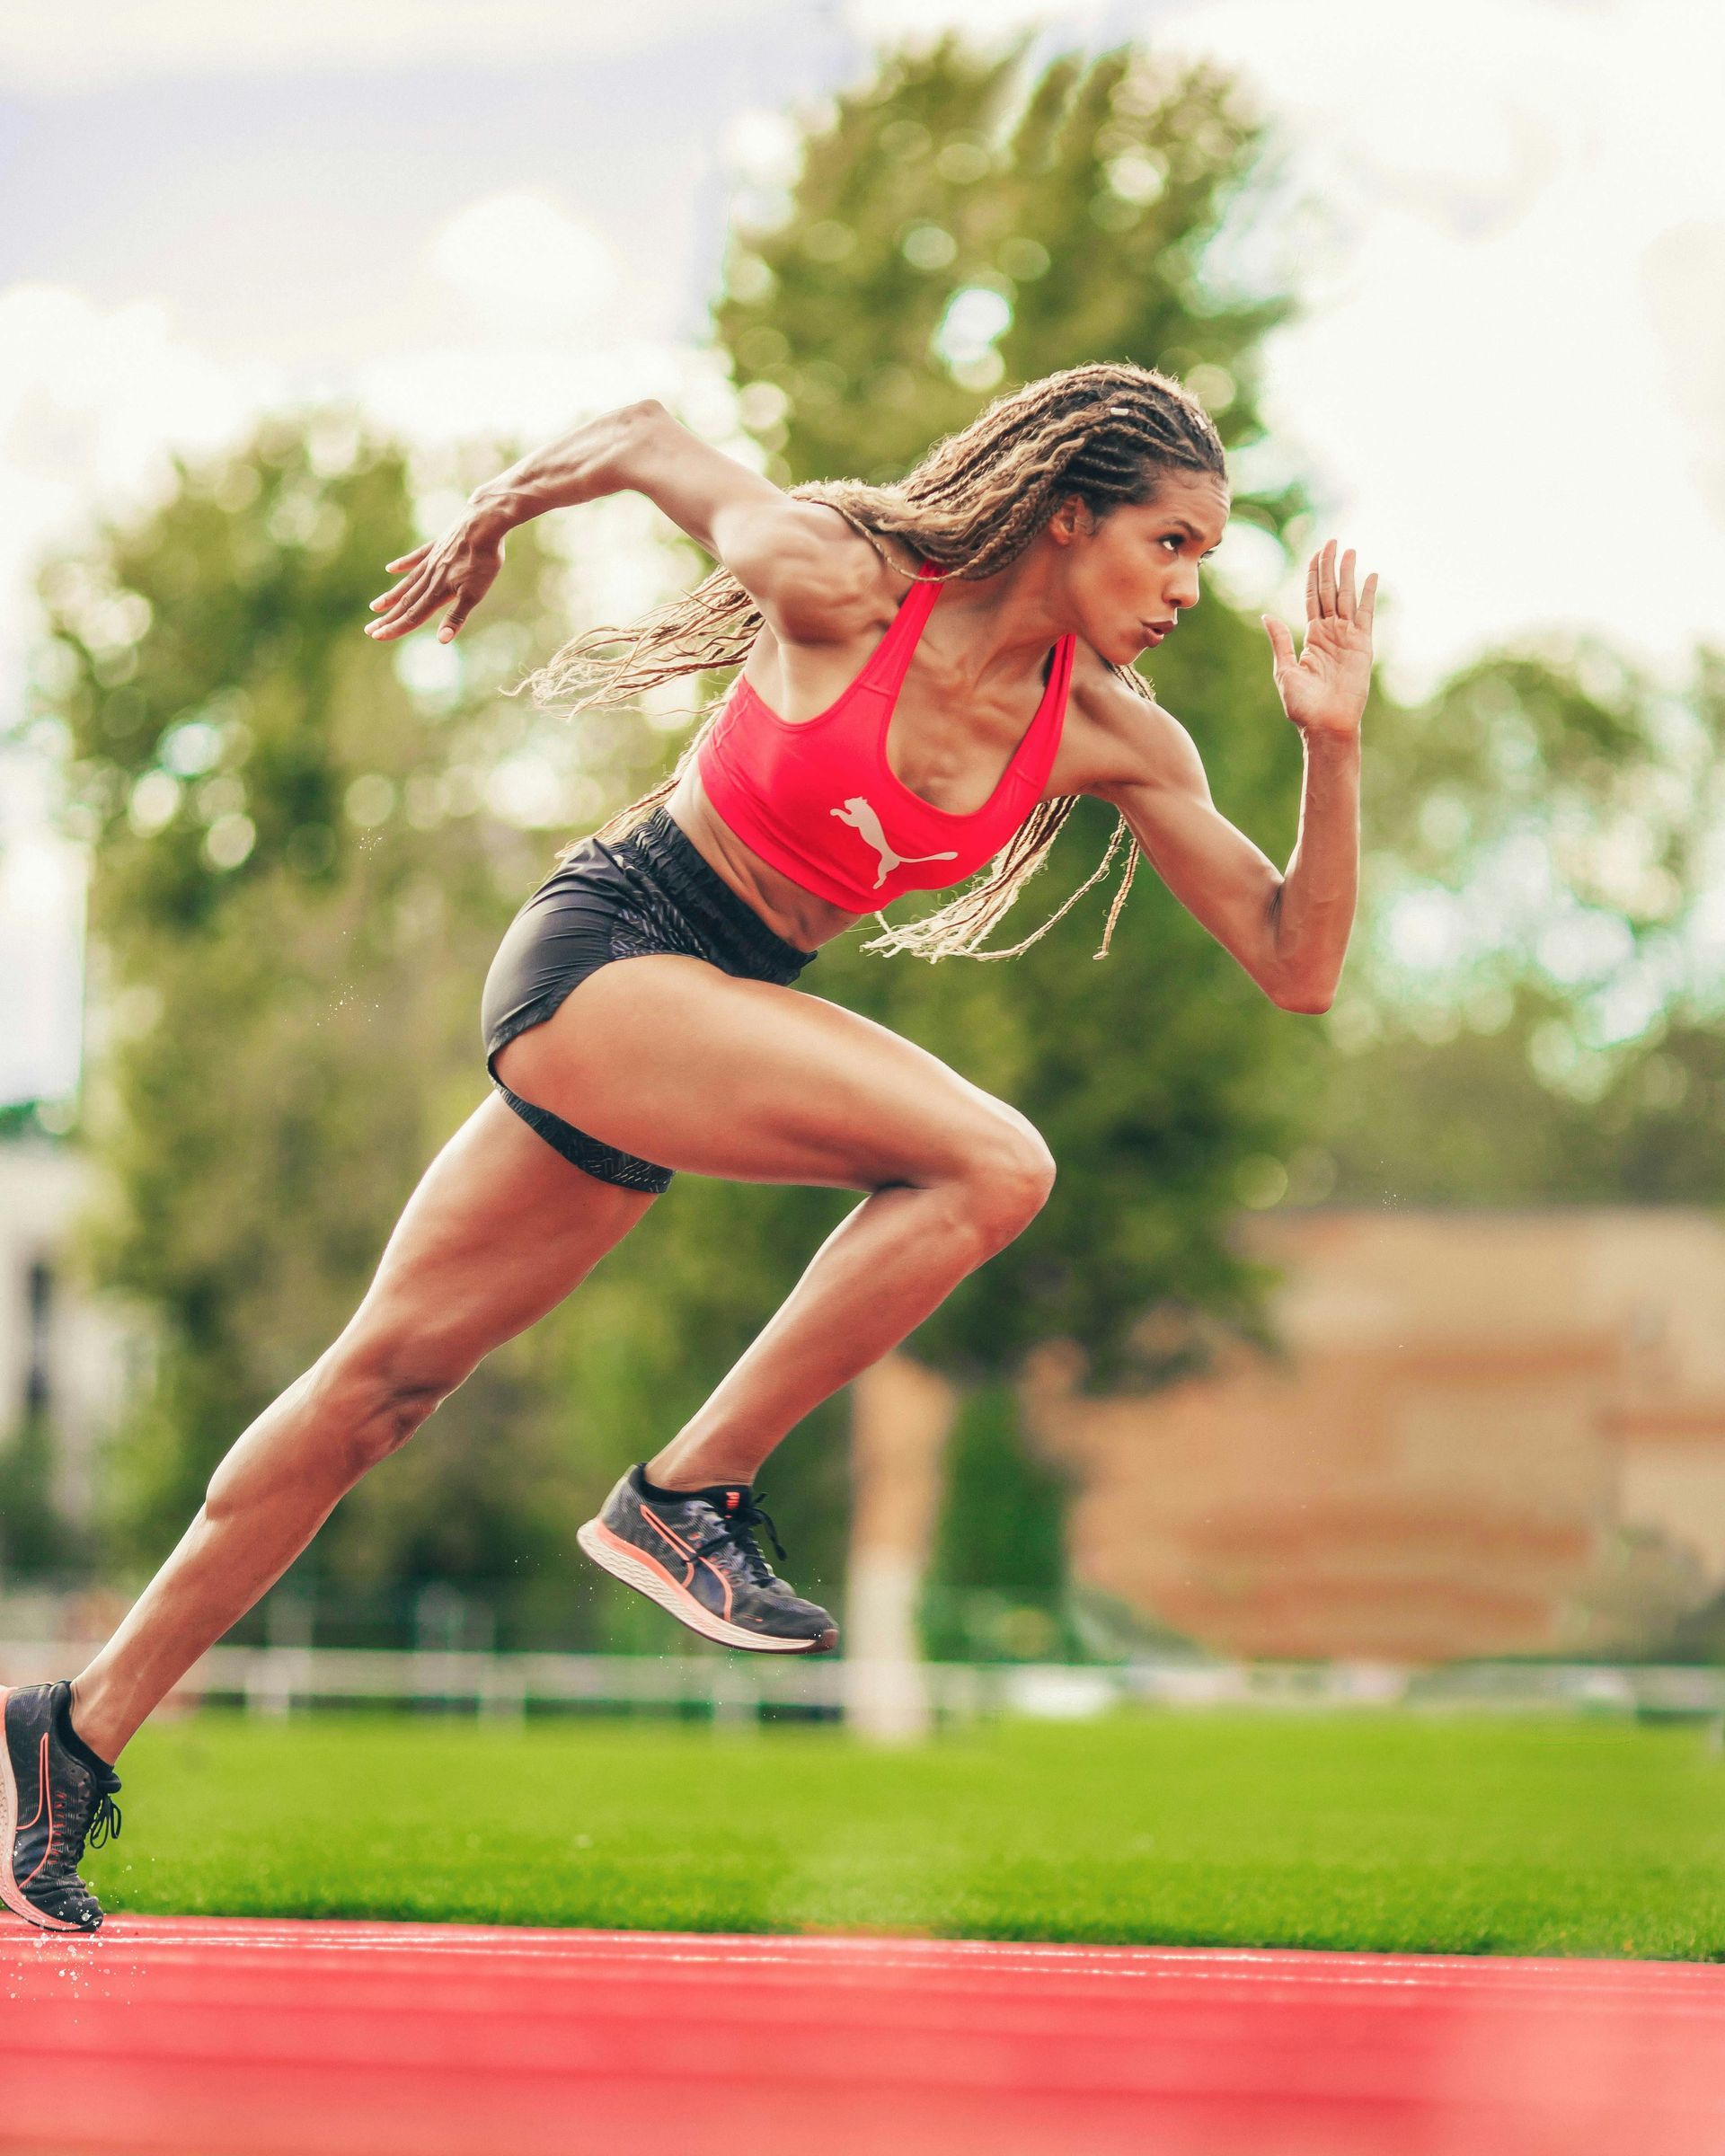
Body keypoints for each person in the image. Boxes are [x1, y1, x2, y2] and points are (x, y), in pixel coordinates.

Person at [0, 361, 1375, 1931]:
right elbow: (652, 439)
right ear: (1070, 515)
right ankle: (688, 1492)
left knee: (377, 1389)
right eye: (1173, 542)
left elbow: (1297, 963)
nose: (1194, 585)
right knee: (994, 1163)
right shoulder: (847, 586)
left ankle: (74, 1734)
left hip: (699, 1020)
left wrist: (1332, 747)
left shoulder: (1116, 737)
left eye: (1208, 555)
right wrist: (498, 511)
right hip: (611, 952)